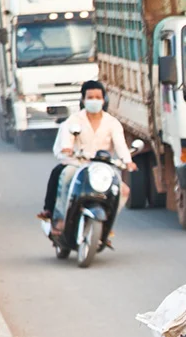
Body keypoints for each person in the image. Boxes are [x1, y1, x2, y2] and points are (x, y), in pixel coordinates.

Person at [39, 80, 135, 229]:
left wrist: (128, 161)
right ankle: (59, 219)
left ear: (104, 100)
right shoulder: (74, 120)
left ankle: (107, 226)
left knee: (123, 191)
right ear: (83, 100)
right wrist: (67, 149)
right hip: (79, 166)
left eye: (98, 97)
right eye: (90, 97)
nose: (94, 101)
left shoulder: (112, 122)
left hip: (102, 169)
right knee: (66, 178)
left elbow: (120, 145)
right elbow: (66, 142)